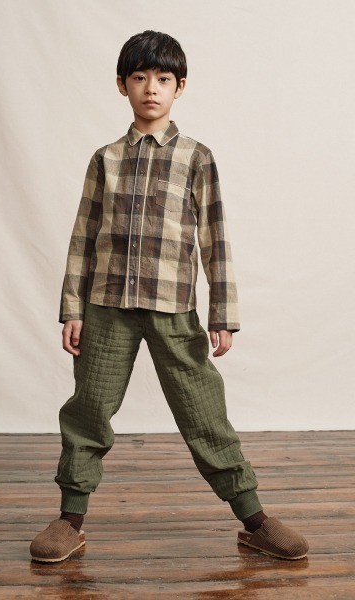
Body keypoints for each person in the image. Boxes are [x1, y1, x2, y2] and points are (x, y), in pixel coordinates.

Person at [30, 30, 309, 563]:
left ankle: (254, 519)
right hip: (106, 307)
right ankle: (69, 519)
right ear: (122, 85)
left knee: (204, 413)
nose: (151, 88)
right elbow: (83, 236)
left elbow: (215, 239)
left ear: (180, 87)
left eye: (163, 79)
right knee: (89, 410)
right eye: (139, 77)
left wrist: (223, 313)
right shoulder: (105, 159)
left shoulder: (196, 158)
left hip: (174, 309)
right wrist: (72, 309)